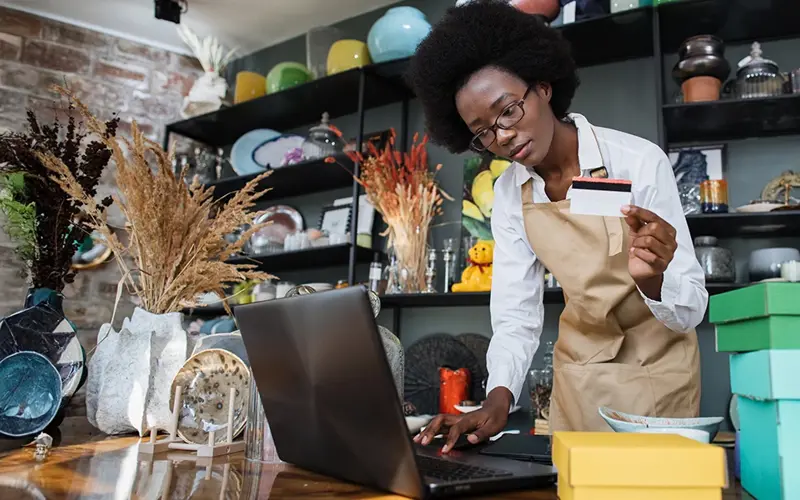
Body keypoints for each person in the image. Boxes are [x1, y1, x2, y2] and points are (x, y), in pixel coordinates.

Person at [408, 0, 707, 453]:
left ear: (543, 87)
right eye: (482, 131)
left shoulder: (638, 161)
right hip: (578, 386)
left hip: (656, 382)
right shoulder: (511, 194)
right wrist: (498, 397)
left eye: (507, 110)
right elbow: (516, 315)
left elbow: (693, 309)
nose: (501, 136)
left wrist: (657, 279)